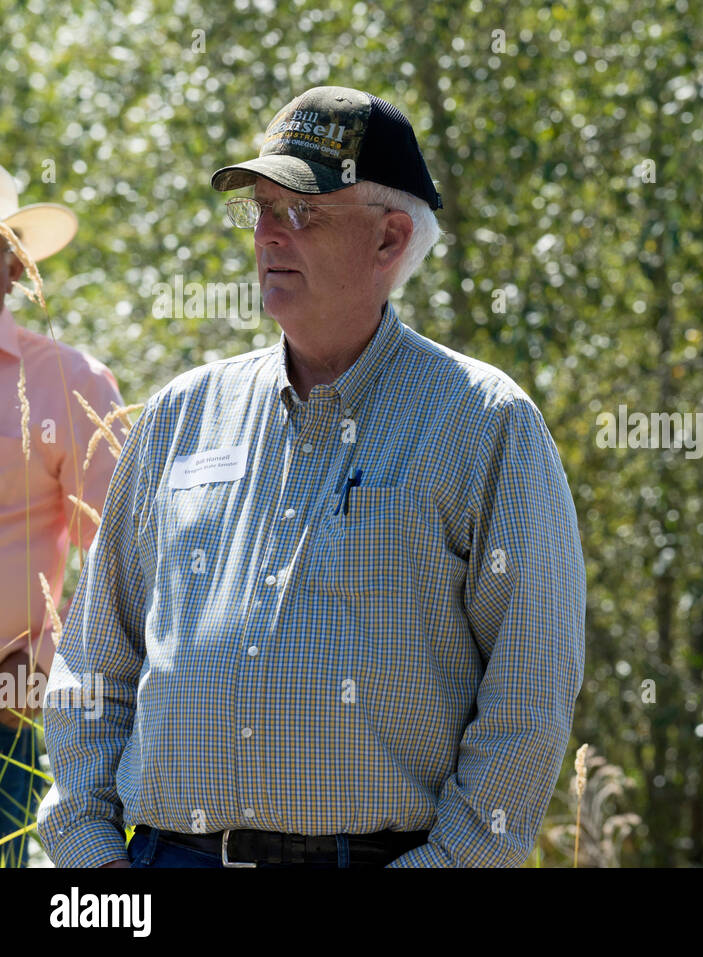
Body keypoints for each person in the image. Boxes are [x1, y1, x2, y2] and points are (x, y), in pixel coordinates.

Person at [37, 86, 585, 868]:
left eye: (301, 211)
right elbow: (95, 662)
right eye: (259, 208)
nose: (266, 235)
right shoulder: (181, 414)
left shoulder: (485, 424)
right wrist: (95, 857)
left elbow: (529, 700)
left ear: (391, 239)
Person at [0, 163, 124, 866]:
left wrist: (42, 662)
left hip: (4, 712)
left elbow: (130, 554)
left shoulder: (68, 382)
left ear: (13, 267)